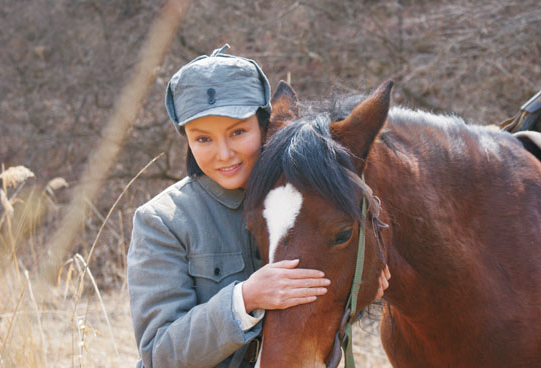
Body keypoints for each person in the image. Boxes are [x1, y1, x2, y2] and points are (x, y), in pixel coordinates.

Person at [127, 44, 391, 368]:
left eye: (238, 132)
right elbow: (158, 353)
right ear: (187, 141)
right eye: (203, 139)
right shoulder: (162, 221)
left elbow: (315, 302)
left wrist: (364, 289)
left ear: (265, 126)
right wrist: (244, 299)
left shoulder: (297, 201)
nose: (224, 154)